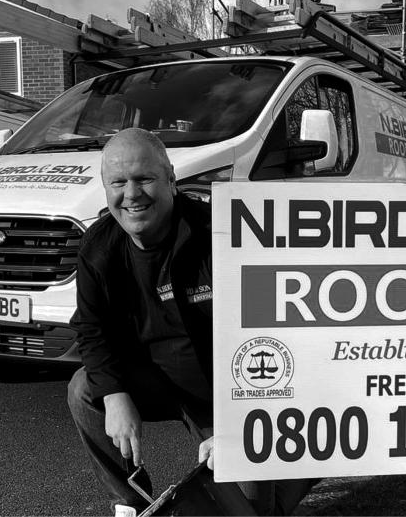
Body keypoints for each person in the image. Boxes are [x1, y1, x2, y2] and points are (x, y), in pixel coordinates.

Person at [67, 128, 313, 515]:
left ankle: (306, 468)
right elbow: (91, 330)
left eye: (144, 178)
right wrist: (114, 396)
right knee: (85, 389)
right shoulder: (98, 246)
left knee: (252, 511)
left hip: (226, 392)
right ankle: (130, 504)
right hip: (157, 381)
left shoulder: (220, 232)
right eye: (118, 182)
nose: (131, 194)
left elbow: (268, 336)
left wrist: (234, 425)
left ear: (171, 180)